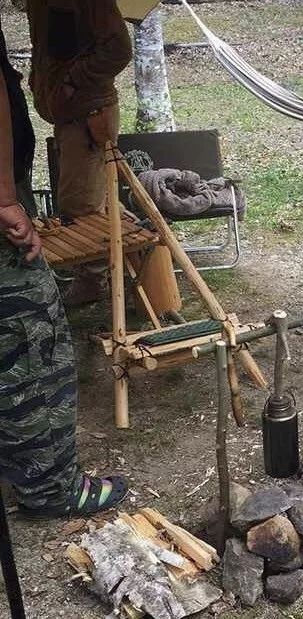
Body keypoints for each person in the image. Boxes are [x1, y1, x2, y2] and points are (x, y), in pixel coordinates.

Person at [0, 18, 128, 518]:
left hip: (83, 119)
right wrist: (6, 198)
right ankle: (50, 488)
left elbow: (115, 45)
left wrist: (71, 83)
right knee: (29, 343)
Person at [26, 0, 132, 305]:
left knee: (81, 204)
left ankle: (94, 280)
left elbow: (119, 50)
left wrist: (72, 81)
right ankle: (122, 265)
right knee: (97, 198)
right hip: (69, 112)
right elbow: (51, 46)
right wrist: (41, 78)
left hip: (88, 113)